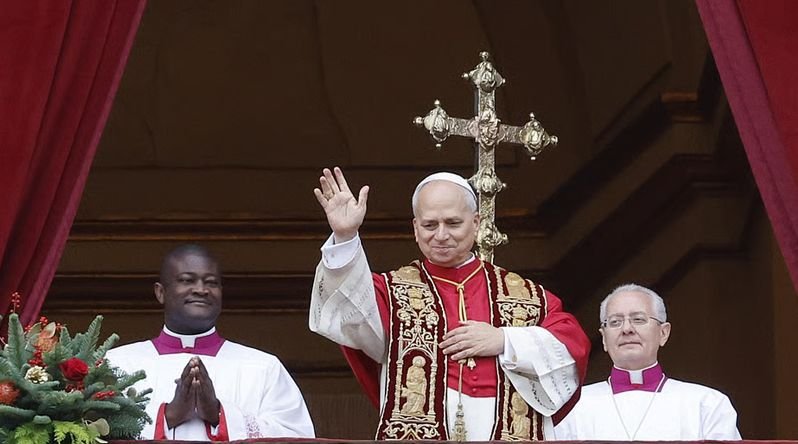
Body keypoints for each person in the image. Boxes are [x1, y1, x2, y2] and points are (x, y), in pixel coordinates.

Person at [309, 167, 590, 440]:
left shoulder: (527, 296)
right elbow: (349, 313)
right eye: (430, 225)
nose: (441, 235)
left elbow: (572, 348)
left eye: (453, 223)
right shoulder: (390, 292)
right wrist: (345, 237)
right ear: (415, 228)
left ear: (476, 223)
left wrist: (505, 340)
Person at [107, 244, 315, 440]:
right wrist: (169, 416)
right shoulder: (117, 364)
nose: (201, 289)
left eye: (211, 282)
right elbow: (93, 429)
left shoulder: (264, 367)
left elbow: (296, 437)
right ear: (160, 292)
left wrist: (219, 413)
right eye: (187, 280)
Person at [553, 283, 741, 440]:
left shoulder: (707, 404)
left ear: (663, 333)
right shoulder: (571, 408)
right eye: (615, 322)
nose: (627, 329)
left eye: (638, 319)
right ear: (603, 338)